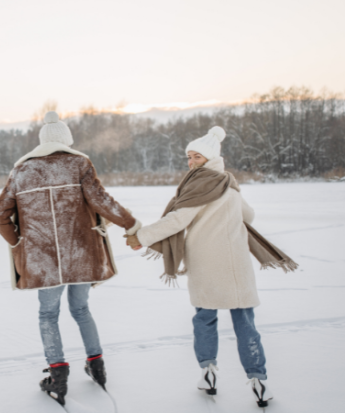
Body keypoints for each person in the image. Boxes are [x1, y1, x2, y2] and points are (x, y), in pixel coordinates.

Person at [126, 126, 297, 408]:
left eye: (196, 157)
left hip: (207, 263)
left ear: (209, 158)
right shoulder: (227, 182)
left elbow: (178, 219)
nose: (191, 162)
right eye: (189, 157)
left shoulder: (200, 184)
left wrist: (141, 237)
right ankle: (259, 381)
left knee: (205, 319)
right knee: (245, 322)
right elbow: (249, 215)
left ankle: (208, 373)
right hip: (237, 264)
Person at [0, 111, 141, 405]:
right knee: (81, 309)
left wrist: (18, 241)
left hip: (42, 259)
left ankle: (58, 375)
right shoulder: (79, 164)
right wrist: (130, 224)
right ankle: (97, 366)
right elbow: (101, 201)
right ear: (67, 140)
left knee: (48, 314)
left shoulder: (21, 171)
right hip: (81, 253)